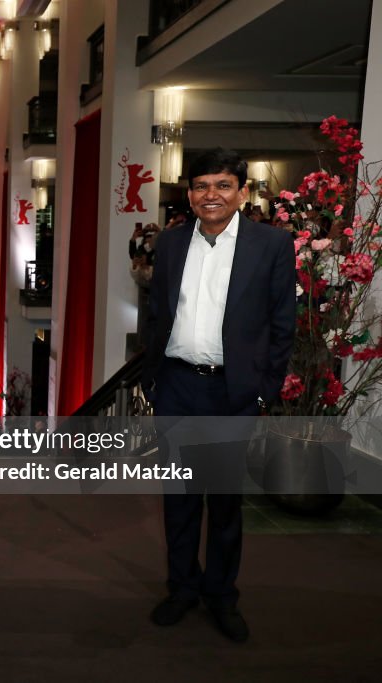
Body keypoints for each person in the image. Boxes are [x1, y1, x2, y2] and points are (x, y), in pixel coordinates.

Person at [141, 148, 295, 643]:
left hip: (232, 393)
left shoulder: (270, 246)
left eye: (223, 185)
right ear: (189, 194)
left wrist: (262, 393)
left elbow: (282, 326)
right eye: (202, 186)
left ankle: (221, 596)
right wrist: (153, 377)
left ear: (242, 192)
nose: (212, 195)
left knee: (225, 504)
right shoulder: (169, 243)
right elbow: (157, 311)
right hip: (178, 387)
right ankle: (182, 589)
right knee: (179, 501)